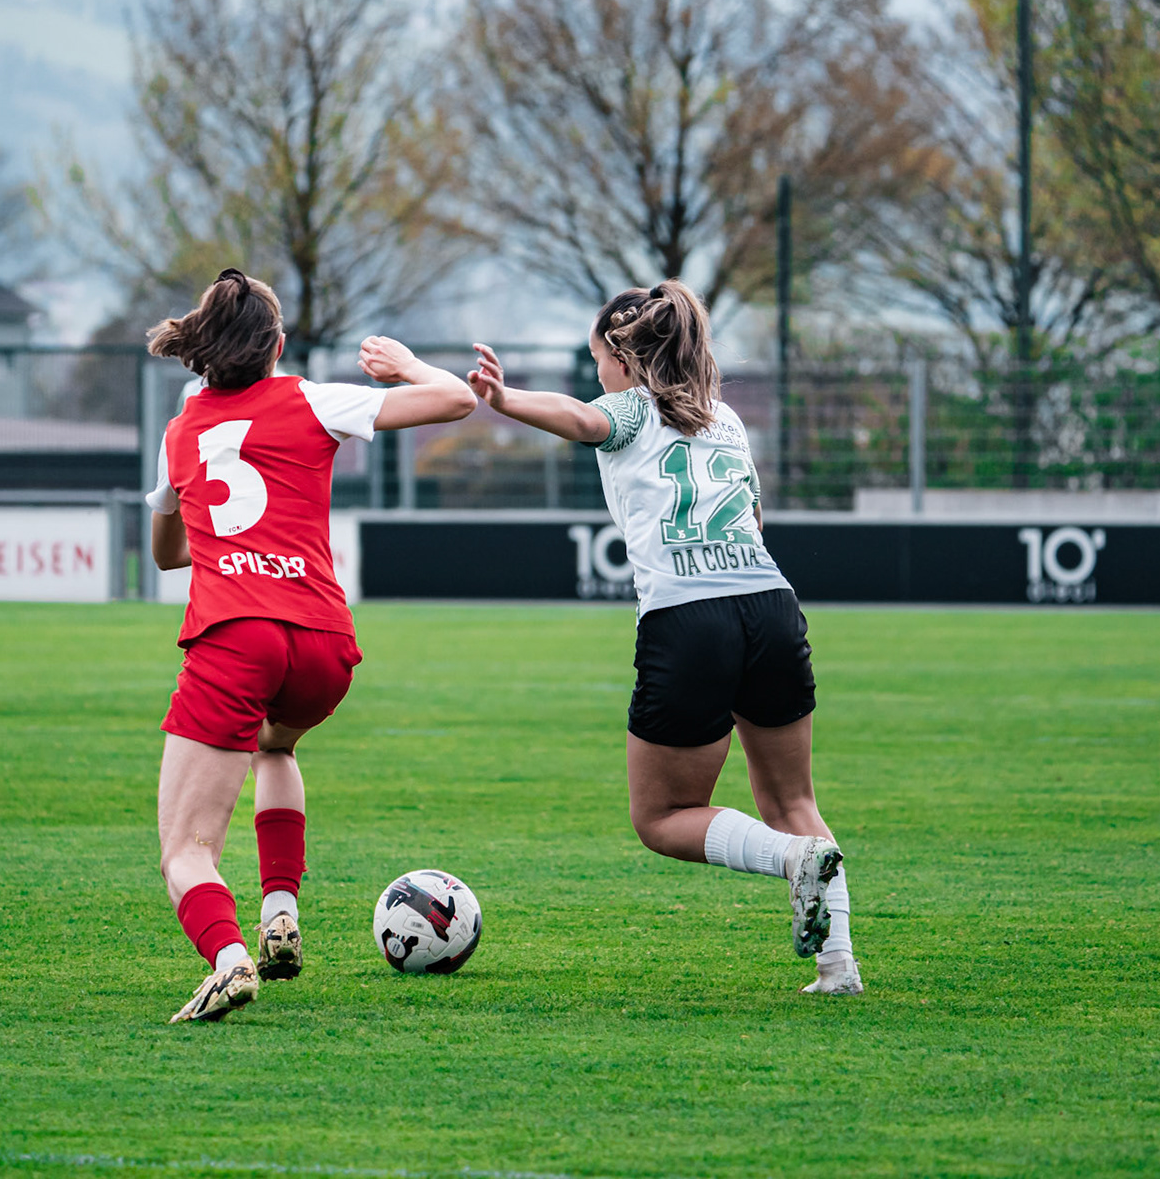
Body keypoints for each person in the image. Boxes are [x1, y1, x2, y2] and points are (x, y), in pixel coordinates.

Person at [467, 279, 861, 997]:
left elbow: (581, 421)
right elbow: (755, 525)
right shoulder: (727, 419)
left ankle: (788, 862)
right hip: (771, 604)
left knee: (660, 818)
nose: (596, 378)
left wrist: (507, 400)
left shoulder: (625, 409)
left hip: (690, 618)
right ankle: (840, 967)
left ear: (621, 358)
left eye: (597, 361)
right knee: (794, 801)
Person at [145, 269, 475, 1023]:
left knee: (185, 851)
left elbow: (169, 553)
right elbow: (457, 398)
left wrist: (224, 536)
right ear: (277, 346)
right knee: (276, 748)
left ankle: (230, 960)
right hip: (324, 644)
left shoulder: (181, 429)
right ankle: (279, 912)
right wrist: (406, 367)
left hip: (236, 638)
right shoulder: (310, 397)